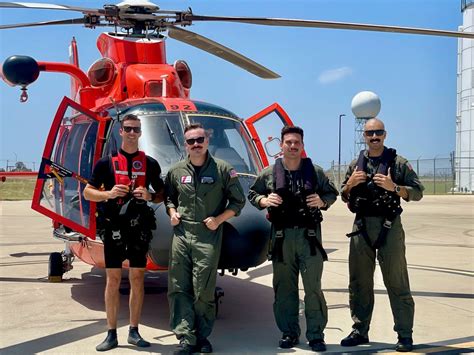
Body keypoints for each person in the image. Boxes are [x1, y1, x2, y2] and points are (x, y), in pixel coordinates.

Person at [248, 125, 338, 353]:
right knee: (284, 289)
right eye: (288, 142)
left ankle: (316, 335)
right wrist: (264, 201)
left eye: (297, 142)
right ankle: (289, 332)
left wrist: (323, 201)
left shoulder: (315, 172)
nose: (293, 146)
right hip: (282, 238)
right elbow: (252, 193)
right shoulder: (269, 173)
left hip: (309, 238)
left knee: (313, 289)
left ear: (302, 145)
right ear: (281, 145)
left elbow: (331, 193)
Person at [340, 118, 424, 353]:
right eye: (370, 134)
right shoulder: (355, 165)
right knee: (359, 282)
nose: (374, 137)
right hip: (361, 227)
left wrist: (394, 188)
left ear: (385, 135)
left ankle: (405, 334)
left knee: (397, 280)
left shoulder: (397, 163)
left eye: (378, 133)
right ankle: (360, 329)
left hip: (390, 227)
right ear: (364, 136)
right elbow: (343, 195)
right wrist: (350, 185)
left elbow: (417, 192)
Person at [83, 114, 164, 351]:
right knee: (113, 279)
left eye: (136, 130)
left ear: (140, 133)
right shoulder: (105, 163)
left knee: (138, 278)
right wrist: (109, 194)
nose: (131, 133)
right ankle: (111, 333)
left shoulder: (149, 163)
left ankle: (134, 331)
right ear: (120, 132)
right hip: (114, 227)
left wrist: (149, 196)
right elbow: (88, 192)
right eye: (127, 129)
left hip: (138, 228)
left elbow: (161, 193)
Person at [165, 123, 245, 355]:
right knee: (179, 287)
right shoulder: (177, 171)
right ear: (185, 145)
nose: (196, 144)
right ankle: (185, 337)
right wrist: (172, 213)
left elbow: (238, 202)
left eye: (200, 139)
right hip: (181, 234)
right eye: (191, 141)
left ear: (207, 141)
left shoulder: (222, 169)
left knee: (204, 289)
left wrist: (219, 220)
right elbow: (169, 197)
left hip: (207, 235)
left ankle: (202, 336)